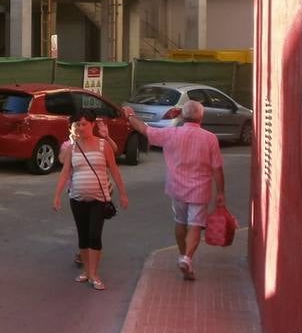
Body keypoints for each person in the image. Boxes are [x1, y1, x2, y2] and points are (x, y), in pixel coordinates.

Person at [123, 99, 225, 281]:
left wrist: (130, 114)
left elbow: (144, 129)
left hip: (177, 187)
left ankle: (182, 255)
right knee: (195, 225)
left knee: (180, 222)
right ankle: (187, 258)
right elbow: (217, 168)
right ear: (201, 117)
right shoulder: (210, 138)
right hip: (200, 190)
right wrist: (221, 192)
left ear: (182, 115)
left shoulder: (170, 133)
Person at [51, 111, 130, 291]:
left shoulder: (104, 146)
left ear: (92, 124)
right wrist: (56, 195)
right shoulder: (72, 148)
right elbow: (65, 173)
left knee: (95, 235)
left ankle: (94, 273)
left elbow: (115, 171)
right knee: (83, 236)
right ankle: (87, 271)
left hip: (99, 198)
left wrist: (123, 193)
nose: (81, 127)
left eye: (84, 123)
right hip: (77, 198)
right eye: (77, 124)